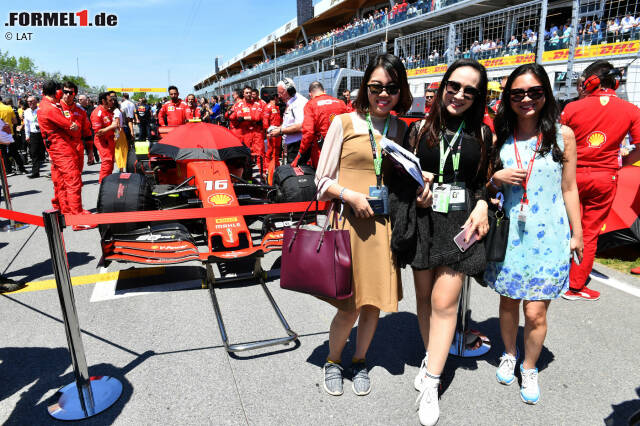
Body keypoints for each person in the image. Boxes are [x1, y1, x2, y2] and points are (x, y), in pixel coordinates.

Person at [399, 59, 491, 426]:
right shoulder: (419, 128)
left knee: (444, 301)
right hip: (424, 221)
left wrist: (483, 201)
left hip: (460, 224)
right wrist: (415, 186)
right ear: (443, 86)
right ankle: (430, 355)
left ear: (478, 96)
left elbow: (483, 180)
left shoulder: (483, 134)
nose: (460, 94)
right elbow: (401, 176)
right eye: (455, 86)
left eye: (470, 90)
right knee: (424, 298)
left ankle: (432, 383)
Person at [484, 63, 583, 405]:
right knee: (509, 303)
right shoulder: (499, 135)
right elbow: (484, 186)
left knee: (536, 311)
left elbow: (570, 188)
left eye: (534, 92)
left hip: (550, 235)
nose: (526, 99)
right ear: (508, 97)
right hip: (511, 233)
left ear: (546, 94)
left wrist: (578, 233)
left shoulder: (562, 134)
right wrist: (497, 177)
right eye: (518, 93)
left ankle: (529, 366)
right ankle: (509, 353)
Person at [315, 53, 412, 398]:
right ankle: (333, 360)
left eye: (391, 87)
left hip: (384, 226)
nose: (383, 94)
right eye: (376, 87)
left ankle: (359, 360)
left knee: (372, 303)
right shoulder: (343, 123)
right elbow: (321, 180)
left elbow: (405, 177)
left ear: (401, 91)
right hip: (349, 223)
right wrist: (349, 195)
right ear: (365, 87)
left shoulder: (401, 128)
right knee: (349, 304)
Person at [560, 60, 640, 301]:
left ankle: (556, 274)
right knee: (590, 231)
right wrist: (622, 164)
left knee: (566, 225)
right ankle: (575, 286)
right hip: (605, 176)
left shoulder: (572, 108)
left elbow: (558, 142)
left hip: (571, 174)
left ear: (590, 81)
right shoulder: (631, 110)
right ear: (615, 82)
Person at [38, 80, 95, 230]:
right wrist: (71, 126)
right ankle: (76, 218)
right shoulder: (51, 107)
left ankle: (66, 212)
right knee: (70, 182)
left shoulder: (79, 111)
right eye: (64, 91)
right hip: (62, 149)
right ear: (57, 92)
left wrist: (90, 151)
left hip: (70, 148)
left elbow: (86, 132)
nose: (66, 94)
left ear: (75, 94)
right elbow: (69, 126)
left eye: (70, 92)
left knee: (65, 181)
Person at [296, 81, 348, 168]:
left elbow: (308, 132)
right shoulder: (340, 103)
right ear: (324, 91)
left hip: (322, 153)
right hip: (341, 149)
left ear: (310, 94)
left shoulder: (310, 105)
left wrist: (301, 153)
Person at [269, 78, 307, 164]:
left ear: (289, 91)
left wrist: (281, 131)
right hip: (291, 145)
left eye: (281, 93)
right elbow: (290, 122)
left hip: (297, 145)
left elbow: (301, 126)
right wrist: (278, 128)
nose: (279, 96)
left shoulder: (299, 103)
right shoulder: (291, 102)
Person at [230, 86, 265, 166]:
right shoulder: (239, 105)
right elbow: (239, 117)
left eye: (250, 92)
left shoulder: (257, 104)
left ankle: (261, 175)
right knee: (246, 155)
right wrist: (250, 118)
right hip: (245, 133)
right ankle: (248, 175)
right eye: (247, 93)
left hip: (256, 132)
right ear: (243, 94)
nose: (249, 94)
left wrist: (245, 118)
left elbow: (257, 117)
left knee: (260, 153)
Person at [91, 91, 118, 182]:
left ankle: (108, 182)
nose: (112, 102)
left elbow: (115, 126)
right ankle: (103, 183)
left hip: (110, 139)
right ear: (103, 101)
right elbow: (98, 133)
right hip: (101, 140)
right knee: (107, 161)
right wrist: (112, 126)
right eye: (110, 100)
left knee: (111, 162)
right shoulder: (97, 113)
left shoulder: (109, 111)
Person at [0, 98, 26, 175]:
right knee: (14, 152)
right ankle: (22, 168)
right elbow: (15, 121)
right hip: (9, 133)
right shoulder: (8, 108)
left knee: (4, 153)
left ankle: (8, 170)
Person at [23, 96, 45, 178]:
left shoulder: (41, 109)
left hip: (43, 133)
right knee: (33, 153)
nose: (30, 103)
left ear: (36, 101)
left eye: (32, 101)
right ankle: (35, 172)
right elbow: (27, 125)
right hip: (33, 134)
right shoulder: (26, 112)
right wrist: (27, 135)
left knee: (45, 152)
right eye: (28, 101)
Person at [263, 93, 282, 170]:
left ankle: (276, 164)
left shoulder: (277, 107)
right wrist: (268, 132)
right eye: (278, 98)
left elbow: (279, 119)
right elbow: (265, 121)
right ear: (275, 98)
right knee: (270, 149)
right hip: (271, 132)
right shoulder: (268, 107)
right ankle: (268, 166)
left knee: (277, 149)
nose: (279, 100)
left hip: (278, 131)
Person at [78, 94, 99, 165]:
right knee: (86, 144)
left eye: (81, 99)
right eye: (79, 99)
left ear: (86, 100)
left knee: (93, 144)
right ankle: (90, 159)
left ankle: (95, 154)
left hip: (91, 128)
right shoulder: (78, 109)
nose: (79, 101)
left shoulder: (92, 109)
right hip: (83, 130)